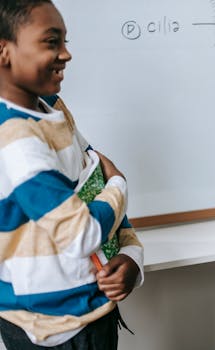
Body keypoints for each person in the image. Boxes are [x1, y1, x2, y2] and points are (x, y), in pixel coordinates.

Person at [0, 1, 144, 349]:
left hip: (93, 312)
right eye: (51, 41)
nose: (66, 54)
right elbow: (83, 231)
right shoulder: (16, 138)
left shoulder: (54, 112)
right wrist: (120, 184)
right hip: (54, 330)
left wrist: (133, 259)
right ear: (3, 51)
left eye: (65, 41)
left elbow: (93, 184)